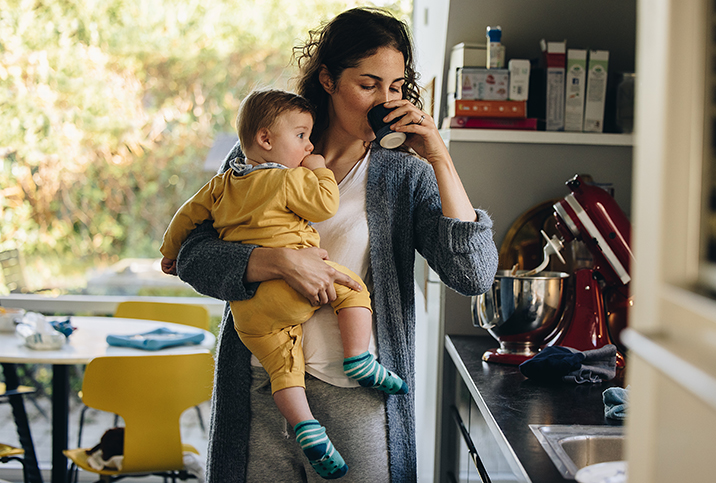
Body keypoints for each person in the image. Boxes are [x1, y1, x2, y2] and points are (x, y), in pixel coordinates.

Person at [175, 7, 499, 483]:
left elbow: (473, 274)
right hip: (260, 392)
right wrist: (275, 261)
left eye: (395, 87)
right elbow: (191, 256)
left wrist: (440, 159)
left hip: (357, 399)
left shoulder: (405, 176)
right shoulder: (261, 155)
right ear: (327, 79)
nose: (383, 101)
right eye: (368, 85)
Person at [159, 88, 407, 479]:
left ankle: (307, 428)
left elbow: (183, 221)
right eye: (368, 83)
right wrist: (318, 169)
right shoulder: (289, 179)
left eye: (396, 86)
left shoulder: (224, 183)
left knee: (283, 370)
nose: (307, 144)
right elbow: (324, 205)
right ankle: (359, 357)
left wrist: (168, 251)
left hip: (253, 320)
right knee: (351, 286)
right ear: (266, 139)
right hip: (288, 305)